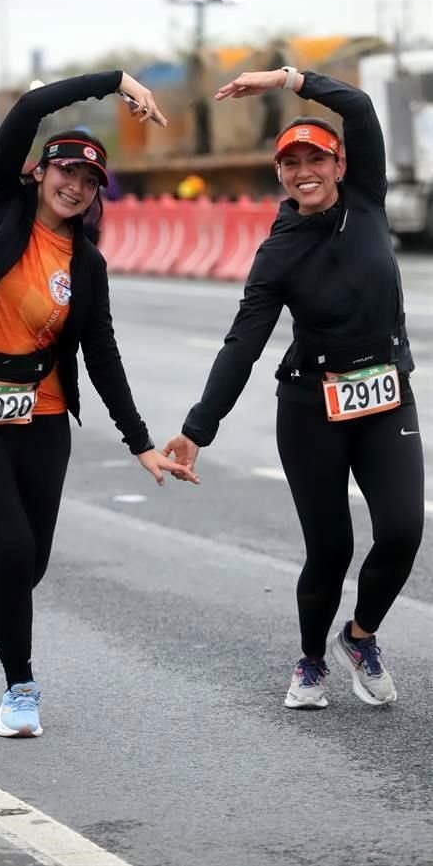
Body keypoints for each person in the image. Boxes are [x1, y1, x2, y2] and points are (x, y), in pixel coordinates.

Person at [0, 70, 199, 739]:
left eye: (90, 182)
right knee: (9, 552)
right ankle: (20, 688)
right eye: (67, 170)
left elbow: (103, 355)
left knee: (27, 564)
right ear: (40, 172)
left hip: (42, 415)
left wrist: (140, 441)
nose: (77, 185)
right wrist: (117, 80)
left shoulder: (85, 264)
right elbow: (31, 106)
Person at [164, 67, 424, 710]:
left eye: (316, 157)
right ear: (279, 175)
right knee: (330, 547)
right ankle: (311, 663)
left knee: (403, 531)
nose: (304, 169)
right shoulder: (276, 253)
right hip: (311, 405)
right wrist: (199, 427)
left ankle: (360, 637)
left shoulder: (366, 200)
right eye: (291, 162)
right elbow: (242, 344)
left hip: (387, 392)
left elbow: (359, 105)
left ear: (339, 165)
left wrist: (288, 79)